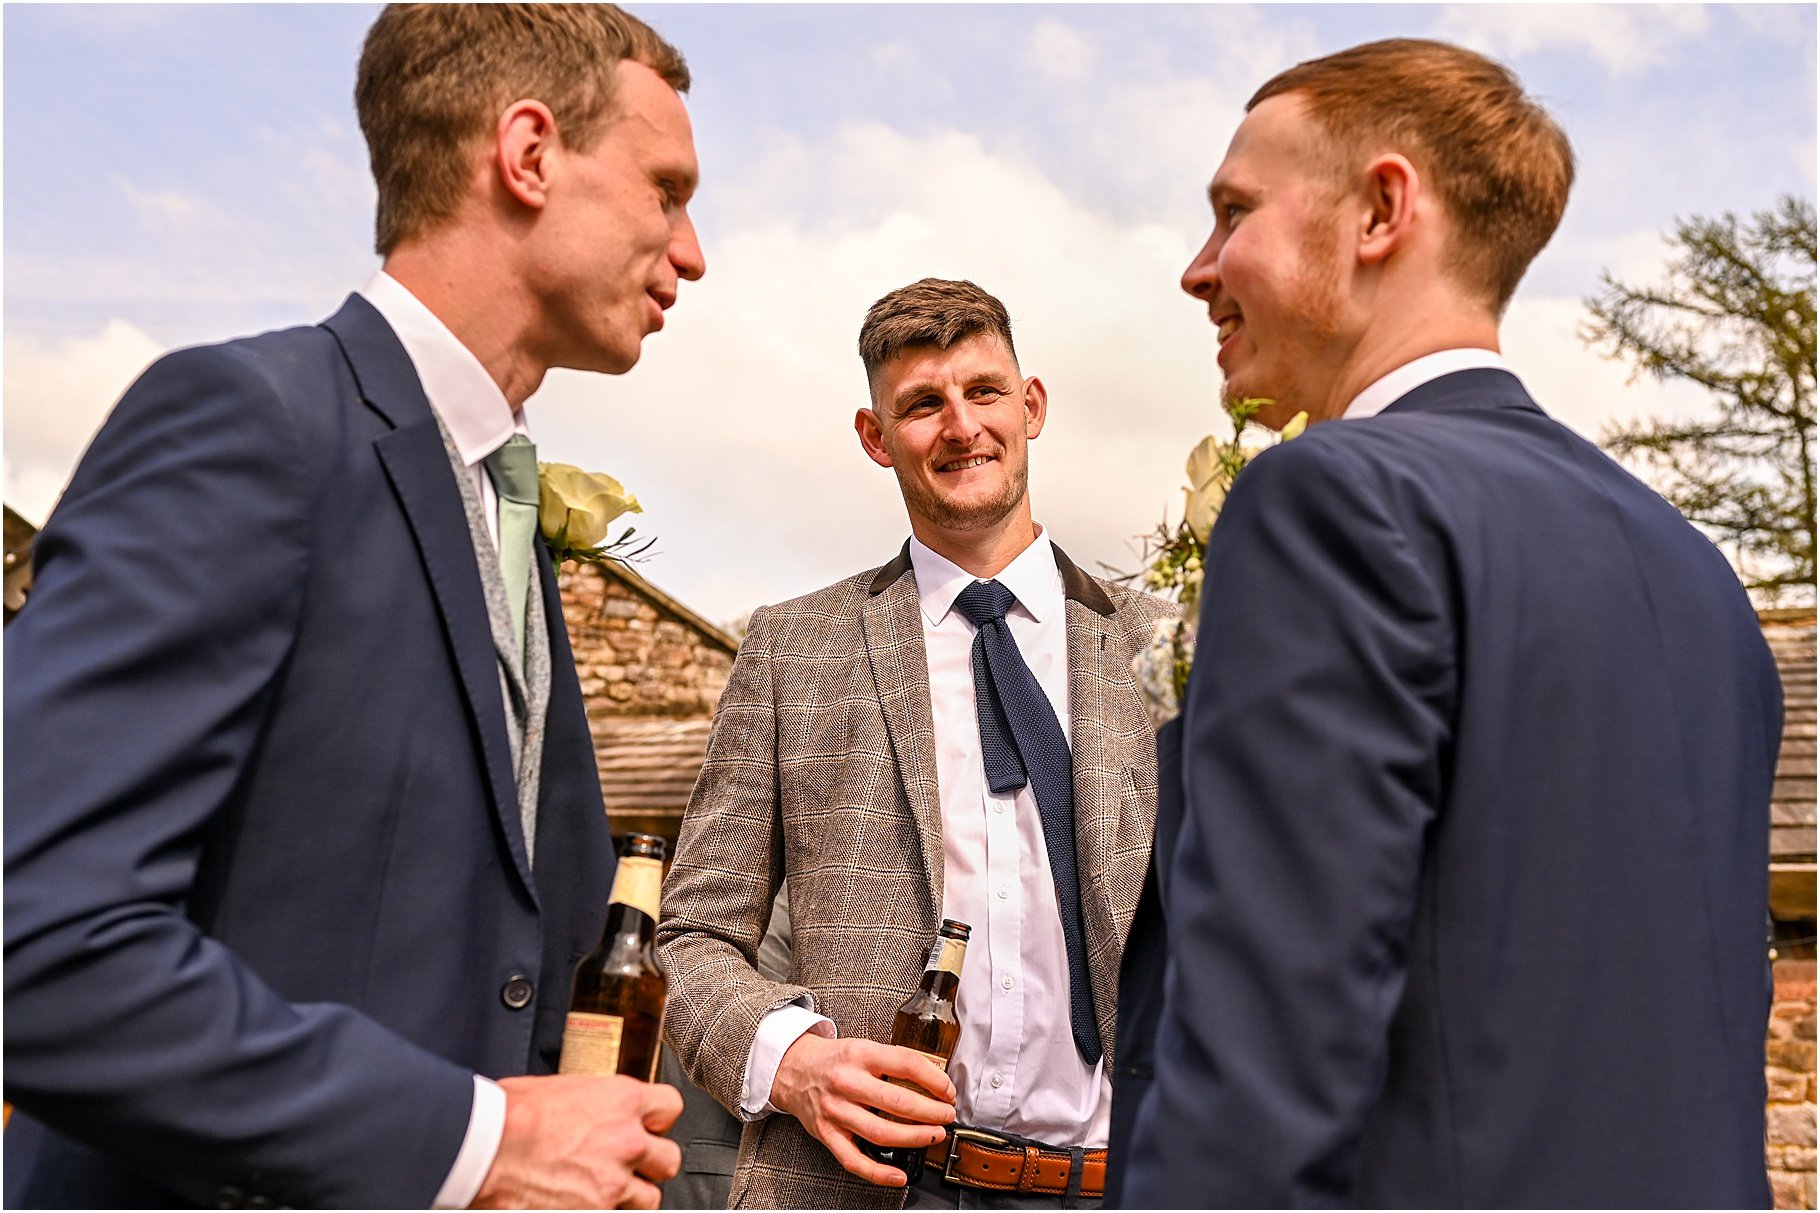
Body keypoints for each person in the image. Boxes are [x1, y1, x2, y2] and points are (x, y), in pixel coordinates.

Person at [4, 5, 705, 1208]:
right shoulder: (251, 424)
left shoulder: (506, 509)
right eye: (664, 190)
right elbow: (40, 943)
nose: (690, 251)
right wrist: (474, 1141)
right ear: (527, 155)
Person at [1107, 38, 1783, 1209]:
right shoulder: (1696, 578)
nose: (1197, 267)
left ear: (1378, 210)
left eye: (1232, 213)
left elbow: (1261, 1074)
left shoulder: (1328, 502)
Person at [659, 278, 1175, 1209]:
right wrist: (791, 1061)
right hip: (860, 1188)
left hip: (1126, 1185)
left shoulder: (1169, 648)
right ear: (875, 435)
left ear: (1033, 404)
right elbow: (694, 933)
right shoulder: (791, 649)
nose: (960, 426)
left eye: (983, 391)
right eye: (922, 405)